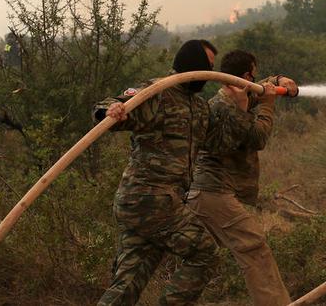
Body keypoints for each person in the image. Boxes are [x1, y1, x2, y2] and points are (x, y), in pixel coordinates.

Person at [94, 39, 219, 306]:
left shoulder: (198, 106)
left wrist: (260, 96)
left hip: (158, 205)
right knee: (205, 251)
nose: (209, 72)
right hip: (149, 200)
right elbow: (114, 105)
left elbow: (225, 138)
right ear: (191, 63)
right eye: (206, 66)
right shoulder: (158, 92)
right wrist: (112, 110)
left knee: (126, 287)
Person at [187, 50, 298, 306]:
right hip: (212, 193)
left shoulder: (239, 94)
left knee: (199, 258)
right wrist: (268, 105)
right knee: (253, 247)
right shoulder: (224, 106)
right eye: (254, 74)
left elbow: (256, 89)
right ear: (247, 74)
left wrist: (280, 80)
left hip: (206, 194)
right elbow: (257, 138)